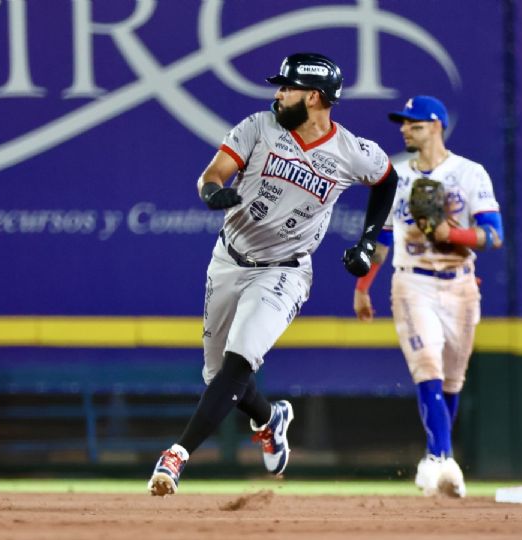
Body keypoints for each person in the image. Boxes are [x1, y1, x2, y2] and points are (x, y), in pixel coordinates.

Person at [148, 52, 399, 496]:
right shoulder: (258, 127)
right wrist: (211, 191)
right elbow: (214, 173)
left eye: (288, 87)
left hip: (284, 272)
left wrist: (367, 241)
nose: (278, 94)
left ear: (315, 97)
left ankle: (177, 456)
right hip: (229, 260)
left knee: (238, 363)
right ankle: (269, 417)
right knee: (217, 379)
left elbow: (387, 180)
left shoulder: (350, 152)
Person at [352, 96, 503, 497]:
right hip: (412, 282)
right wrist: (363, 286)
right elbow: (383, 240)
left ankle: (433, 458)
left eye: (415, 124)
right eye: (403, 123)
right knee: (427, 367)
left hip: (460, 284)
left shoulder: (470, 174)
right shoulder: (394, 178)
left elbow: (493, 235)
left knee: (452, 380)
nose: (405, 129)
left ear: (436, 126)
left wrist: (451, 235)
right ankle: (443, 458)